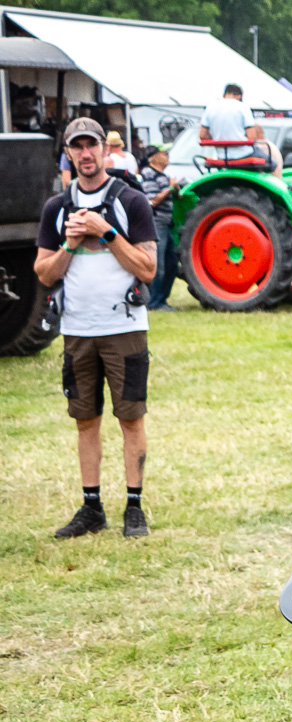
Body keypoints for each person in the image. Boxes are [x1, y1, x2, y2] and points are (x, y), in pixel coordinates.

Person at [34, 117, 159, 540]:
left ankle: (134, 508)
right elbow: (44, 275)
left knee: (131, 419)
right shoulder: (56, 208)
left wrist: (106, 233)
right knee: (85, 419)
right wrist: (69, 243)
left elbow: (148, 267)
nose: (86, 154)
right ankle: (91, 508)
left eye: (92, 146)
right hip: (77, 331)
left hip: (124, 328)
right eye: (77, 147)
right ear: (68, 153)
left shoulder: (131, 201)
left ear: (106, 150)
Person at [138, 142, 180, 311]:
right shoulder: (148, 174)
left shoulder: (164, 175)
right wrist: (170, 188)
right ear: (153, 157)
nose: (167, 156)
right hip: (157, 223)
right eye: (164, 153)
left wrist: (175, 189)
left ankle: (162, 300)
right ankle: (153, 303)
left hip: (167, 223)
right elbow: (152, 201)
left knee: (172, 264)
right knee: (159, 265)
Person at [199, 83, 261, 164]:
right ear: (239, 96)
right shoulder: (243, 107)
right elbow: (252, 137)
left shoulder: (210, 107)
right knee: (274, 164)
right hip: (244, 155)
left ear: (224, 94)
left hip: (221, 156)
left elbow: (202, 135)